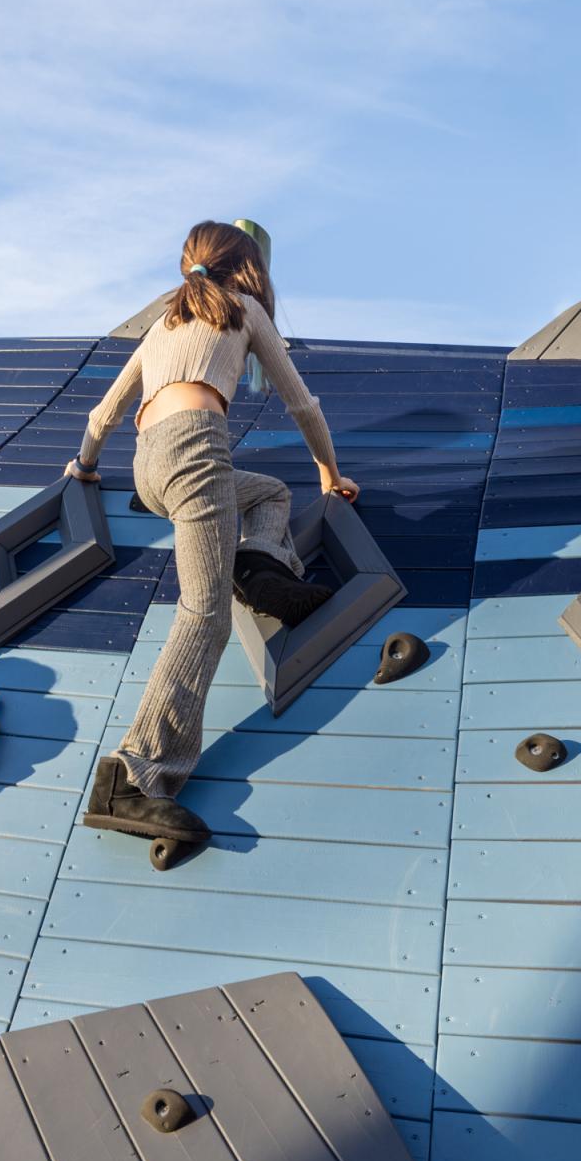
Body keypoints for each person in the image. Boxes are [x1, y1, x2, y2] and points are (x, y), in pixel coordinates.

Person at [67, 220, 355, 838]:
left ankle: (255, 565)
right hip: (196, 450)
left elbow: (104, 413)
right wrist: (330, 472)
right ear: (247, 267)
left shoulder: (163, 324)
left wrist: (83, 467)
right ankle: (134, 774)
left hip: (149, 469)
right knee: (205, 614)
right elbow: (301, 402)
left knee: (268, 494)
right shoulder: (245, 309)